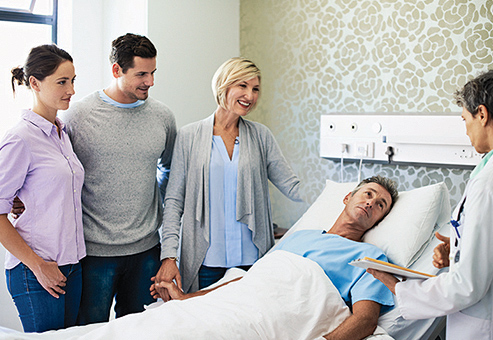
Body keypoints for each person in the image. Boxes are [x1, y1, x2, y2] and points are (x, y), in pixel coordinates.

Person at [369, 70, 493, 339]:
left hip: (487, 325)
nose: (466, 129)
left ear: (482, 114)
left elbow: (467, 287)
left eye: (465, 119)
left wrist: (397, 288)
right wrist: (460, 250)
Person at [153, 175, 398, 340]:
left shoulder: (371, 257)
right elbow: (251, 282)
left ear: (379, 219)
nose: (370, 203)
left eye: (380, 205)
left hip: (284, 313)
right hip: (244, 303)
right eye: (368, 194)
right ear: (347, 197)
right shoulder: (299, 236)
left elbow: (365, 319)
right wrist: (188, 299)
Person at [154, 57, 302, 297]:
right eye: (242, 86)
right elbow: (173, 202)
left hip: (252, 260)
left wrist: (336, 199)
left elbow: (292, 186)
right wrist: (169, 256)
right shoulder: (189, 136)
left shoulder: (261, 136)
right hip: (206, 262)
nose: (250, 95)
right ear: (224, 86)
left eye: (255, 89)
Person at [60, 33, 177, 324]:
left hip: (147, 251)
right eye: (141, 74)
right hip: (93, 254)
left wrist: (155, 213)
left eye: (152, 73)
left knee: (143, 330)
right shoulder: (78, 117)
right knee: (90, 332)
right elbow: (58, 176)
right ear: (116, 70)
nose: (149, 81)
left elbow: (170, 170)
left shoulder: (163, 117)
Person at [0, 45, 84, 332]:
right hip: (35, 271)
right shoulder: (20, 139)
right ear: (34, 83)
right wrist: (38, 266)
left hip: (72, 266)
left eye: (73, 80)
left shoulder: (62, 133)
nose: (71, 89)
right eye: (62, 82)